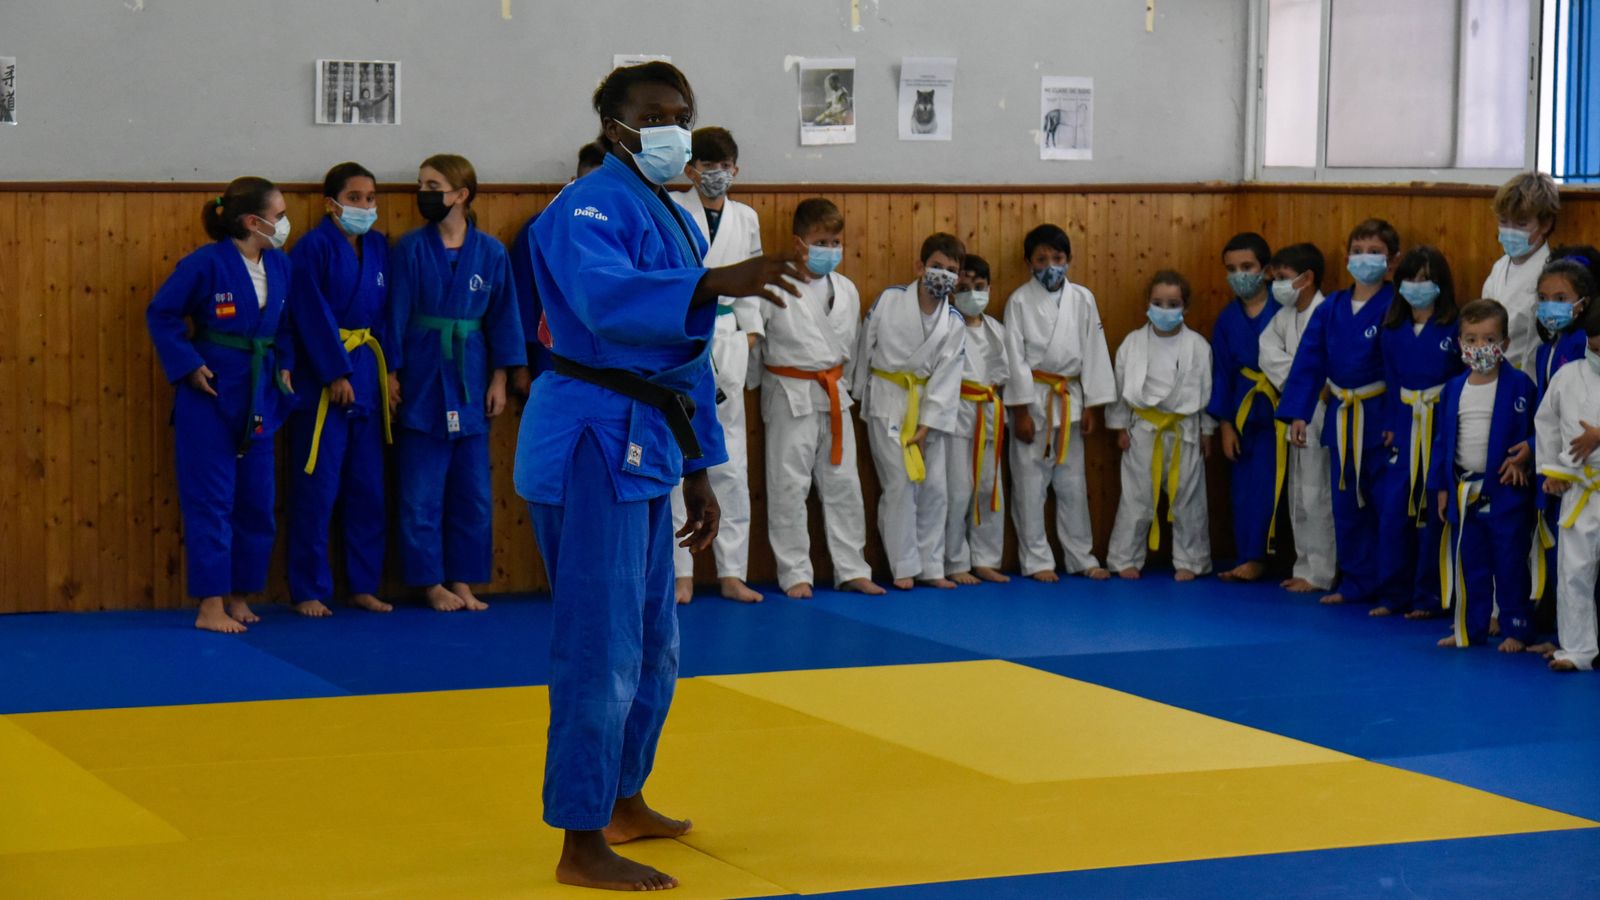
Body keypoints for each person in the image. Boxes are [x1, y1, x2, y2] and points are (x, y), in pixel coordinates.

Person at [512, 61, 810, 892]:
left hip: (648, 438)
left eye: (683, 113)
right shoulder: (584, 208)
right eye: (656, 114)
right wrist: (717, 281)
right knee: (596, 647)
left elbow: (682, 363)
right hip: (586, 441)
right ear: (615, 126)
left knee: (653, 642)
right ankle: (579, 843)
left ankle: (623, 799)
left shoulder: (671, 215)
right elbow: (610, 304)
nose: (674, 128)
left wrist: (701, 472)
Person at [145, 177, 299, 634]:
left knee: (256, 500)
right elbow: (163, 314)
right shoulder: (204, 265)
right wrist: (187, 364)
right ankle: (209, 604)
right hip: (209, 395)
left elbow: (286, 327)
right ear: (253, 222)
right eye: (280, 214)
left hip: (261, 394)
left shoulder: (281, 266)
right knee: (210, 502)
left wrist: (285, 365)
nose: (285, 222)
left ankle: (239, 594)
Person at [387, 154, 526, 613]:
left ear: (461, 195)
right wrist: (390, 371)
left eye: (433, 184)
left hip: (471, 374)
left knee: (474, 496)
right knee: (419, 494)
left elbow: (504, 318)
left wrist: (501, 379)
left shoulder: (490, 252)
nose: (423, 192)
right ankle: (430, 582)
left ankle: (464, 580)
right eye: (421, 182)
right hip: (424, 376)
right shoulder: (409, 248)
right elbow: (395, 315)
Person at [749, 198, 884, 598]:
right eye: (821, 240)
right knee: (788, 485)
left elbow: (855, 349)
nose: (830, 248)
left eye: (835, 241)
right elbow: (757, 345)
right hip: (788, 393)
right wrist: (754, 383)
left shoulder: (847, 290)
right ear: (798, 242)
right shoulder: (775, 285)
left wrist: (850, 390)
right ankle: (794, 573)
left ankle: (852, 568)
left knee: (845, 485)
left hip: (834, 393)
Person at [285, 162, 394, 617]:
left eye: (370, 198)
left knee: (368, 486)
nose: (364, 206)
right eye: (354, 198)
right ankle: (309, 588)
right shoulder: (311, 249)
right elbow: (308, 314)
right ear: (331, 204)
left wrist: (391, 372)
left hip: (369, 367)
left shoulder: (380, 247)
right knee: (319, 486)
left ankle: (363, 584)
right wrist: (334, 372)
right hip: (325, 380)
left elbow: (388, 314)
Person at [1280, 219, 1400, 607]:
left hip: (1379, 414)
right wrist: (1299, 412)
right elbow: (1309, 361)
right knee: (1345, 505)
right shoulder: (1331, 307)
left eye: (1375, 252)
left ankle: (1391, 588)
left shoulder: (1396, 305)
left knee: (1386, 507)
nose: (1365, 259)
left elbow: (1403, 366)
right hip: (1340, 415)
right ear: (1348, 257)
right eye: (1359, 251)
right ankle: (1355, 582)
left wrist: (1397, 421)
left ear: (1392, 261)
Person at [669, 126, 763, 604]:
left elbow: (753, 279)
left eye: (724, 167)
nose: (716, 175)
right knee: (681, 455)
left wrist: (749, 332)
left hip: (729, 337)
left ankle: (732, 571)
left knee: (732, 460)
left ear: (736, 170)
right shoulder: (670, 209)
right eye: (707, 167)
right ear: (690, 170)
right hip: (684, 337)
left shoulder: (746, 218)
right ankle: (680, 572)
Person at [852, 233, 968, 590]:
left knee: (936, 488)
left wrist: (930, 422)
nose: (942, 275)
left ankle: (932, 566)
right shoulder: (889, 301)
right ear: (920, 266)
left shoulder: (954, 321)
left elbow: (949, 375)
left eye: (951, 270)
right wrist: (857, 392)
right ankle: (903, 564)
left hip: (929, 408)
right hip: (888, 401)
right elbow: (864, 347)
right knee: (899, 485)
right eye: (936, 267)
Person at [1003, 224, 1116, 581]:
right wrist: (1020, 410)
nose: (1050, 264)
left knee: (1072, 486)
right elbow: (1014, 358)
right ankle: (1036, 560)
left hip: (1069, 399)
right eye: (1041, 259)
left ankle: (1081, 556)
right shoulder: (1019, 300)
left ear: (1069, 260)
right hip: (1034, 400)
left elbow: (1095, 353)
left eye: (1057, 257)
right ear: (1028, 262)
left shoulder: (1083, 298)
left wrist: (1093, 406)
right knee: (1029, 487)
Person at [1430, 299, 1537, 650]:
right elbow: (1443, 442)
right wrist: (1443, 488)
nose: (1479, 347)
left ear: (1504, 343)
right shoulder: (1453, 388)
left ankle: (1515, 628)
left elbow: (1541, 429)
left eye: (1488, 339)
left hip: (1506, 489)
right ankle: (1471, 628)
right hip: (1465, 488)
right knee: (1470, 563)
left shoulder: (1520, 385)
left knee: (1509, 562)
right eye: (1471, 339)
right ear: (1459, 342)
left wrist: (1529, 452)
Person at [1371, 246, 1462, 619]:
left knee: (1434, 512)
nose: (1417, 286)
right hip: (1406, 423)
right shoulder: (1392, 330)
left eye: (1425, 278)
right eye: (1410, 278)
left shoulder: (1455, 327)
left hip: (1440, 424)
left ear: (1440, 283)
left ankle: (1429, 596)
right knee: (1394, 511)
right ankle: (1393, 593)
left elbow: (1461, 380)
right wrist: (1392, 423)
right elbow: (1390, 379)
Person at [1106, 270, 1214, 580]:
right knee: (1136, 497)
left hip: (1185, 431)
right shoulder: (1133, 343)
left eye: (1173, 303)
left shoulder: (1198, 345)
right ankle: (1124, 558)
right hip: (1143, 430)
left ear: (1185, 306)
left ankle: (1191, 561)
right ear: (1147, 303)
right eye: (1158, 302)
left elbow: (1207, 390)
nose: (1165, 310)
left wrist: (1207, 430)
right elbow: (1119, 386)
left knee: (1188, 500)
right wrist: (1118, 427)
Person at [1526, 249, 1600, 637]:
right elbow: (1548, 416)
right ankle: (1567, 636)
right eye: (1545, 299)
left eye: (1561, 299)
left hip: (1587, 471)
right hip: (1562, 472)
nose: (1551, 307)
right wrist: (1546, 464)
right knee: (1565, 560)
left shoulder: (1583, 348)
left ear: (1584, 304)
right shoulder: (1547, 351)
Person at [1259, 243, 1336, 594]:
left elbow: (1335, 362)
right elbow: (1267, 352)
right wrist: (1305, 377)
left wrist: (1312, 379)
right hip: (1297, 405)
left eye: (1283, 278)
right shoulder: (1284, 317)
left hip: (1322, 407)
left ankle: (1322, 571)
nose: (1277, 285)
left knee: (1317, 492)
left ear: (1307, 279)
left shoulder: (1328, 312)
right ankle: (1303, 565)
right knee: (1297, 493)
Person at [1208, 232, 1279, 583]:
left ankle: (1285, 559)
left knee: (1286, 490)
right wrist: (1224, 425)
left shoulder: (1284, 310)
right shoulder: (1227, 319)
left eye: (1247, 267)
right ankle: (1250, 556)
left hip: (1283, 407)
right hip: (1244, 412)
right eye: (1232, 269)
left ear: (1266, 270)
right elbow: (1222, 373)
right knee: (1247, 490)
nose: (1240, 275)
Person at [511, 142, 606, 395]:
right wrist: (520, 363)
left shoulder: (624, 232)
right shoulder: (541, 228)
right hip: (549, 350)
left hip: (609, 354)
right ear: (573, 182)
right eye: (587, 184)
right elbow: (521, 299)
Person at [944, 254, 1012, 585]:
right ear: (952, 291)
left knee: (989, 487)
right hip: (957, 411)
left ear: (989, 288)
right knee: (958, 489)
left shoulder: (996, 329)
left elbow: (1009, 374)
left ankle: (985, 559)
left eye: (979, 287)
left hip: (989, 410)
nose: (972, 293)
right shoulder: (946, 323)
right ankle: (954, 560)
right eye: (964, 287)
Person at [1483, 172, 1561, 373]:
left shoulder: (1551, 274)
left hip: (1531, 376)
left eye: (1521, 224)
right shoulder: (1500, 267)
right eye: (1503, 221)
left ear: (1545, 224)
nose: (1510, 231)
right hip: (1493, 370)